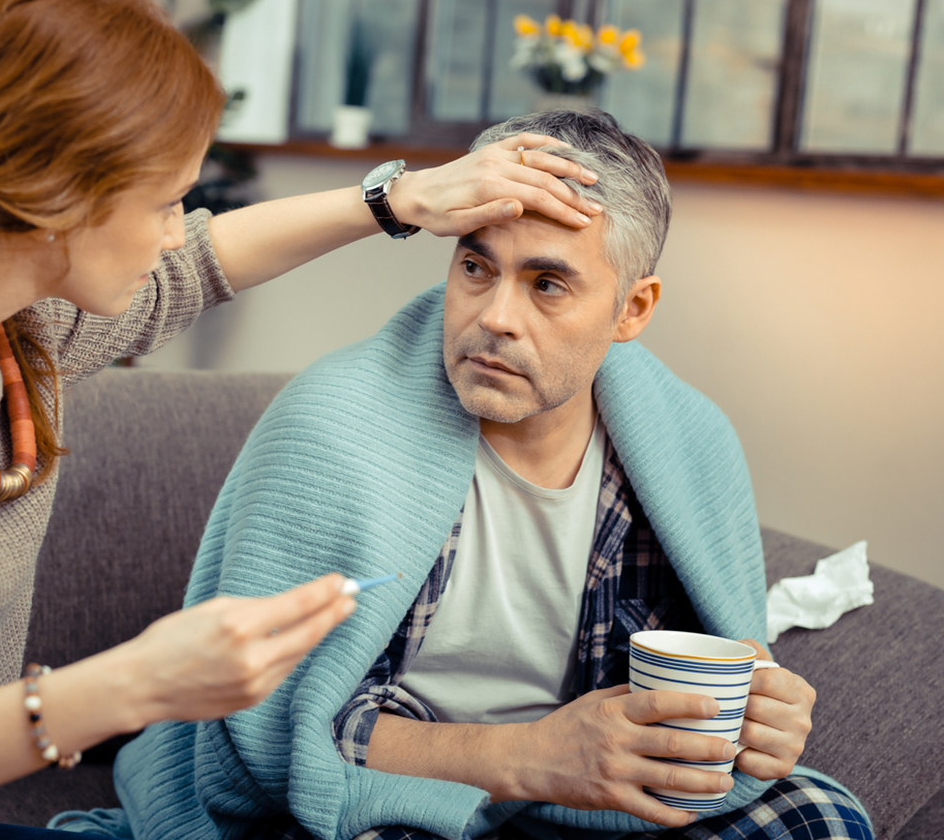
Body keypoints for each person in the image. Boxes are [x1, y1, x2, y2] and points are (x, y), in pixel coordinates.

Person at [0, 0, 607, 838]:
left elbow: (197, 265)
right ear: (56, 196)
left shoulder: (15, 331)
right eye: (160, 203)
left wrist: (400, 199)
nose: (170, 233)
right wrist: (128, 684)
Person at [86, 109, 875, 840]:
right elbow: (277, 736)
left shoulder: (690, 442)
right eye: (476, 266)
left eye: (548, 283)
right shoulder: (331, 429)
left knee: (822, 815)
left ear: (632, 310)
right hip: (398, 797)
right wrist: (530, 754)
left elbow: (722, 666)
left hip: (598, 807)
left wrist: (764, 717)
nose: (496, 315)